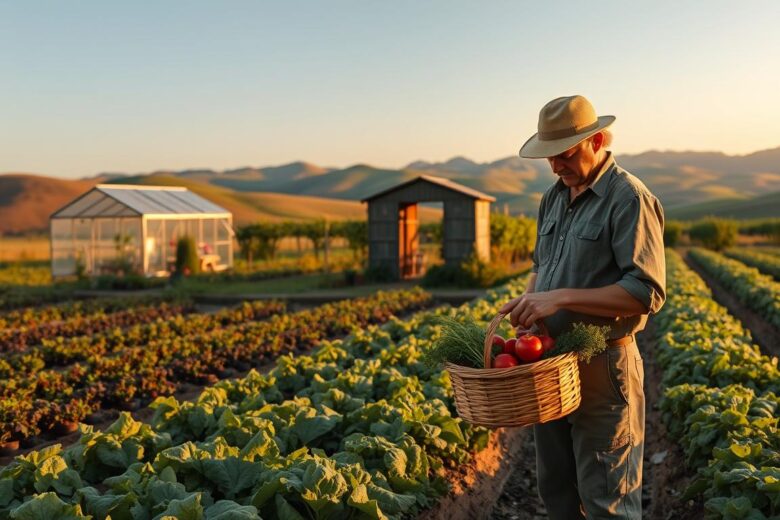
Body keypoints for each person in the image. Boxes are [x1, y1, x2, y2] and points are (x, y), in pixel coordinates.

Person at [500, 95, 666, 519]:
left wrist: (561, 298)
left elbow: (646, 291)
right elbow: (543, 266)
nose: (555, 166)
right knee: (556, 489)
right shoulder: (552, 199)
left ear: (598, 139)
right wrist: (530, 304)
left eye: (565, 154)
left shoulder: (628, 197)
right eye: (549, 157)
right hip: (551, 364)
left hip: (603, 367)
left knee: (607, 496)